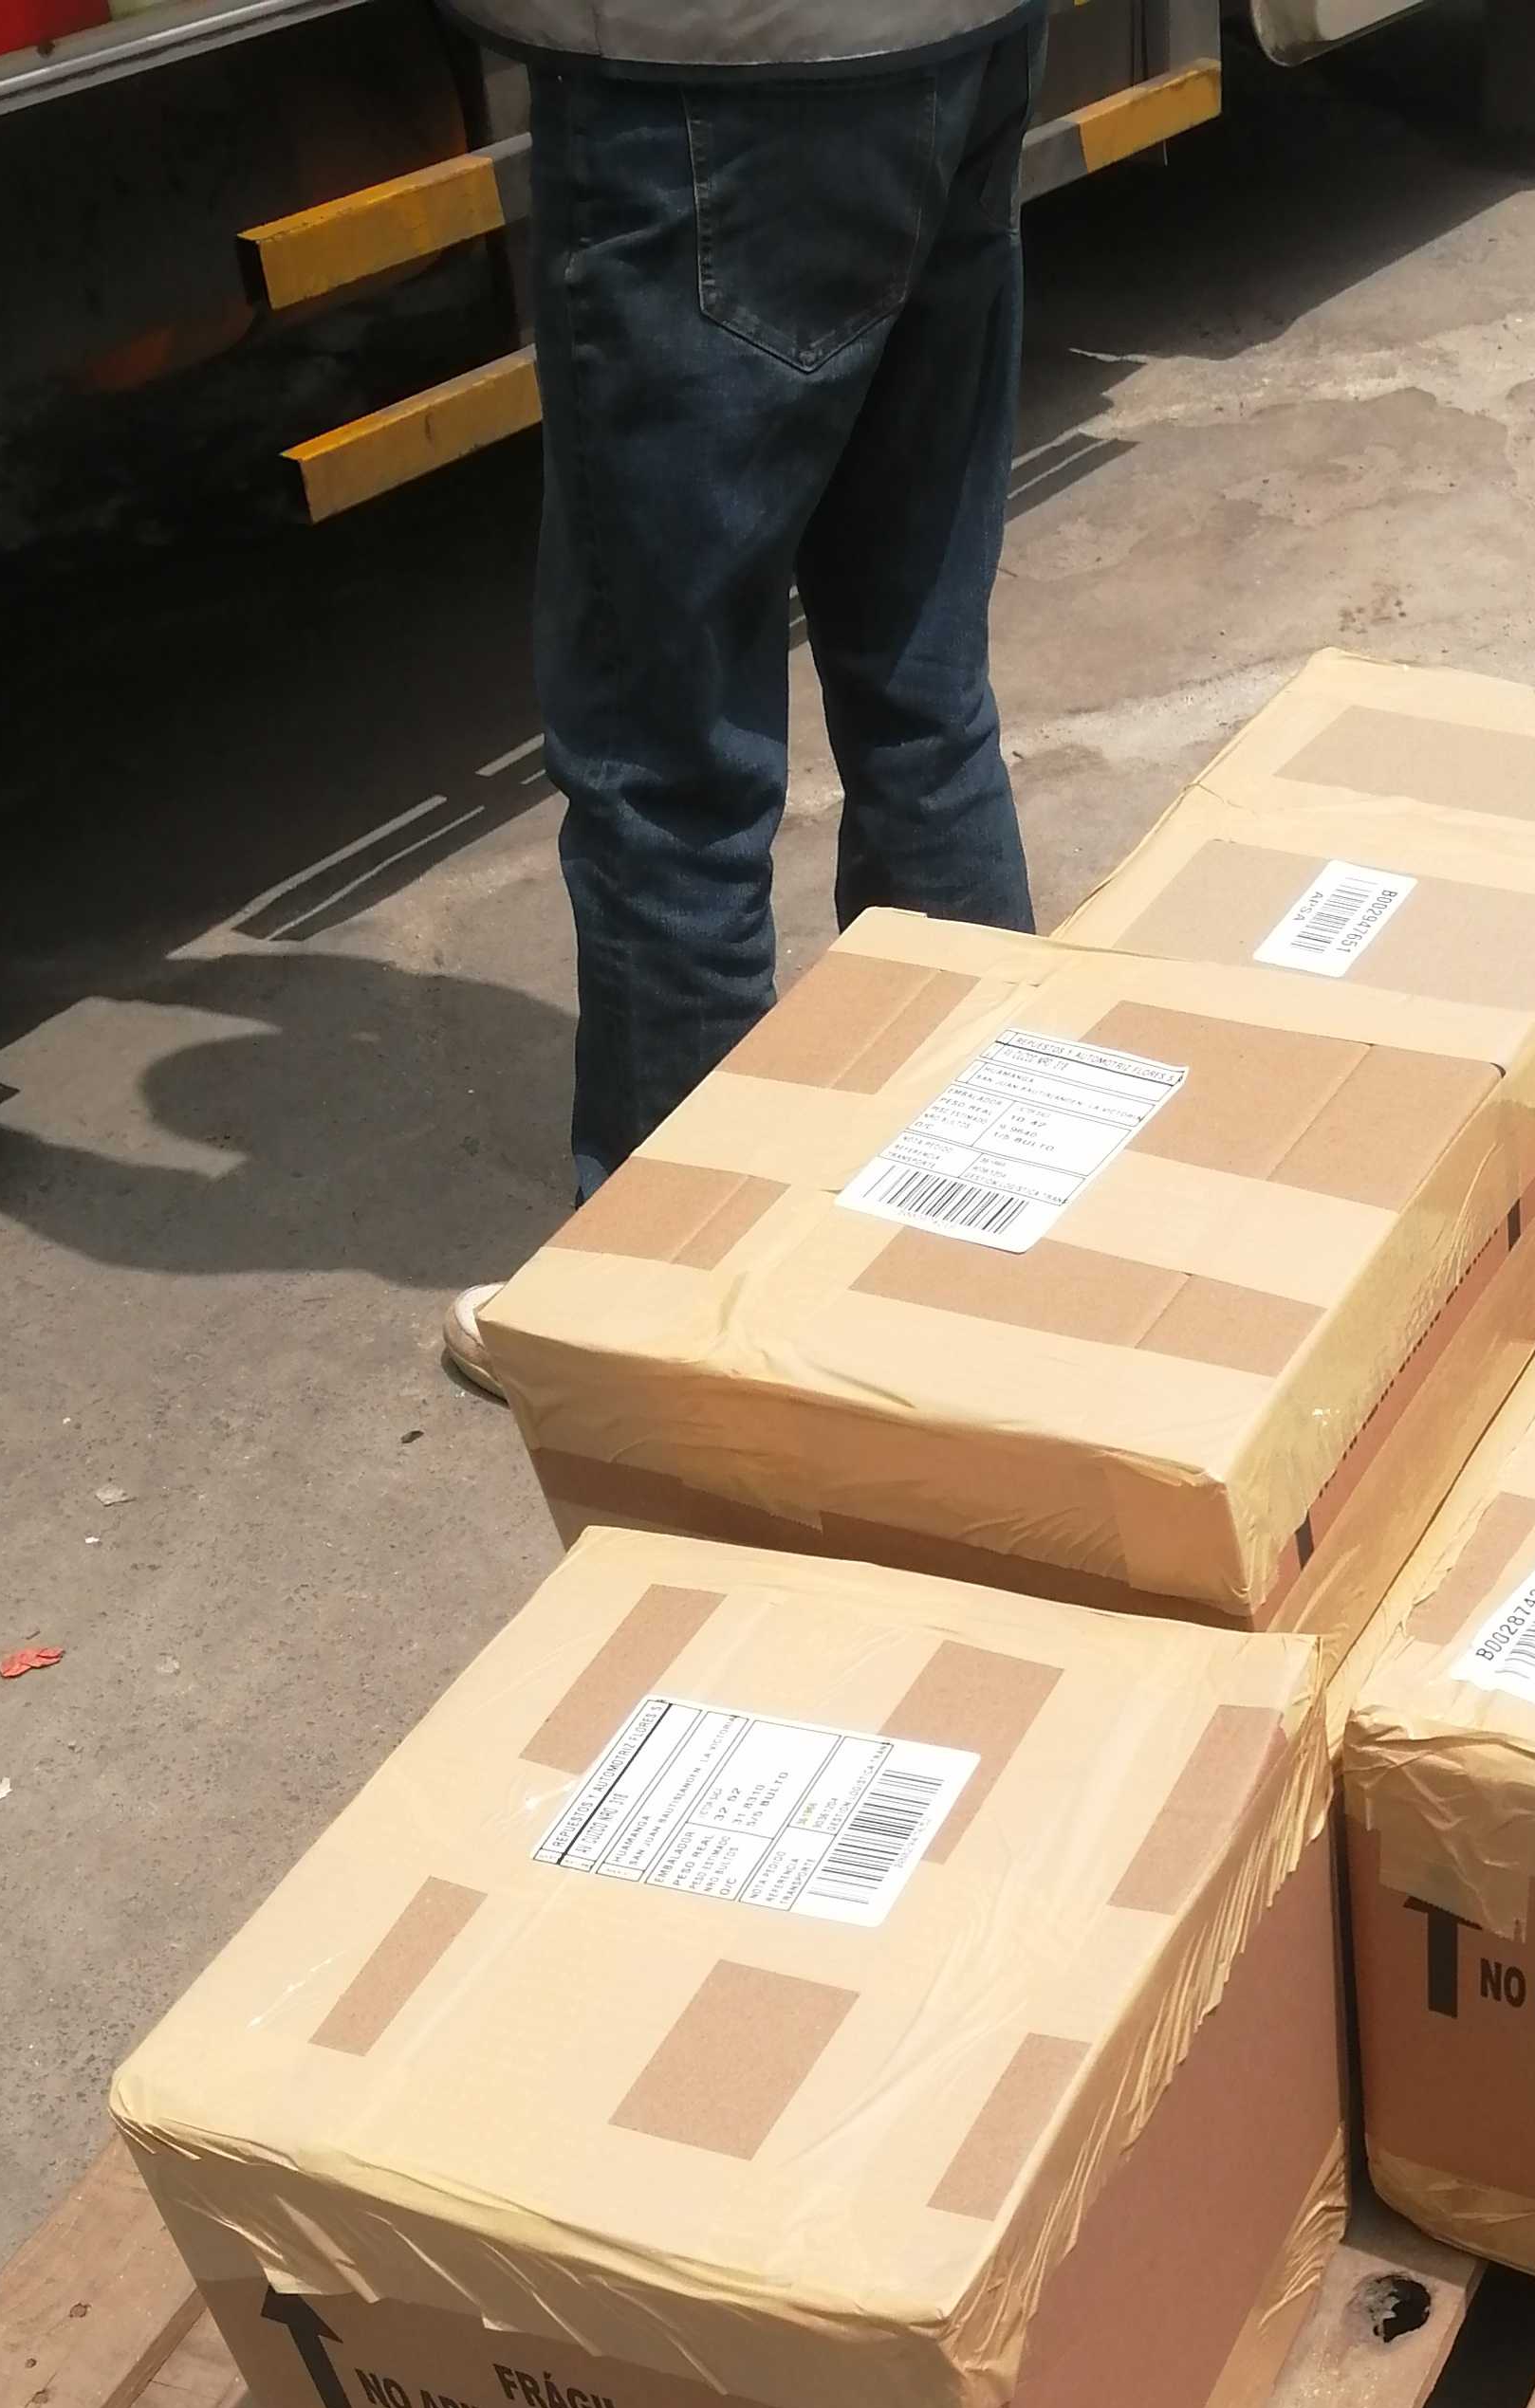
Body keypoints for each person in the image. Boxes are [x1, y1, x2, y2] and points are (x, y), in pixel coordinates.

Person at [444, 0, 1043, 1392]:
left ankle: (676, 1327)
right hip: (961, 33)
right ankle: (994, 1253)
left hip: (711, 68)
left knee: (670, 770)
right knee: (921, 694)